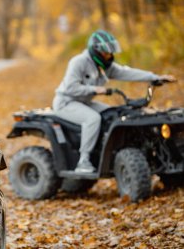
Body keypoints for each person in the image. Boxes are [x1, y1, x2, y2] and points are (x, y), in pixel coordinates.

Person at [52, 29, 176, 173]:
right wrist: (94, 89)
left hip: (84, 102)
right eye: (106, 53)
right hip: (66, 102)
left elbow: (127, 72)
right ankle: (83, 161)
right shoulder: (78, 62)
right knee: (93, 119)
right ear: (96, 51)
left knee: (113, 114)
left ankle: (106, 151)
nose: (109, 56)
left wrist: (155, 77)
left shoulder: (105, 66)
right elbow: (70, 87)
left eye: (110, 53)